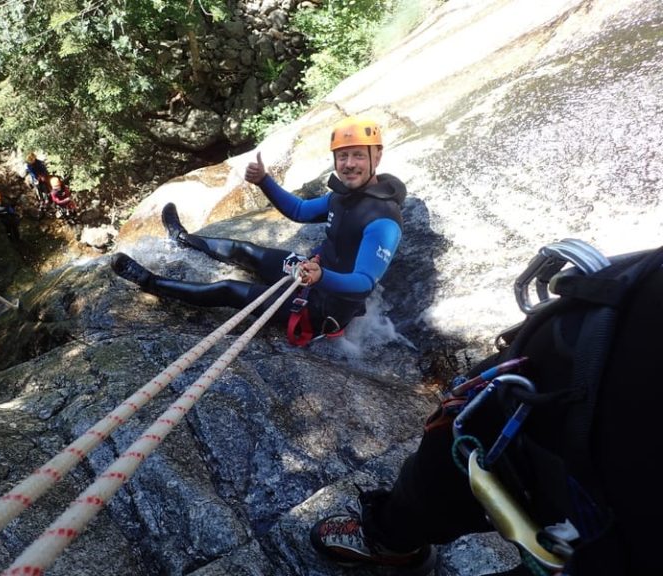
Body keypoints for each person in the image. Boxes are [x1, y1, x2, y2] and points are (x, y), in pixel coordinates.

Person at [308, 247, 663, 576]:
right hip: (572, 354)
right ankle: (389, 540)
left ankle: (390, 539)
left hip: (585, 364)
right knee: (441, 464)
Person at [110, 116, 406, 345]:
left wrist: (321, 276)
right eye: (343, 156)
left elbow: (364, 282)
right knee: (246, 251)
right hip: (311, 274)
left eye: (358, 155)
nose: (349, 164)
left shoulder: (383, 220)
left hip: (323, 307)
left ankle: (150, 282)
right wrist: (264, 180)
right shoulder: (342, 195)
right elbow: (300, 211)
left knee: (228, 289)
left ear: (376, 157)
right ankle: (184, 239)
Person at [24, 152, 51, 217]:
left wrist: (42, 176)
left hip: (42, 177)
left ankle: (46, 199)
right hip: (36, 178)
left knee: (44, 187)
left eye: (31, 160)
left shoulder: (39, 163)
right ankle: (41, 200)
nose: (31, 162)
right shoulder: (29, 165)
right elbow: (31, 172)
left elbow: (44, 170)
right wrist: (36, 178)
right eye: (30, 161)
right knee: (38, 188)